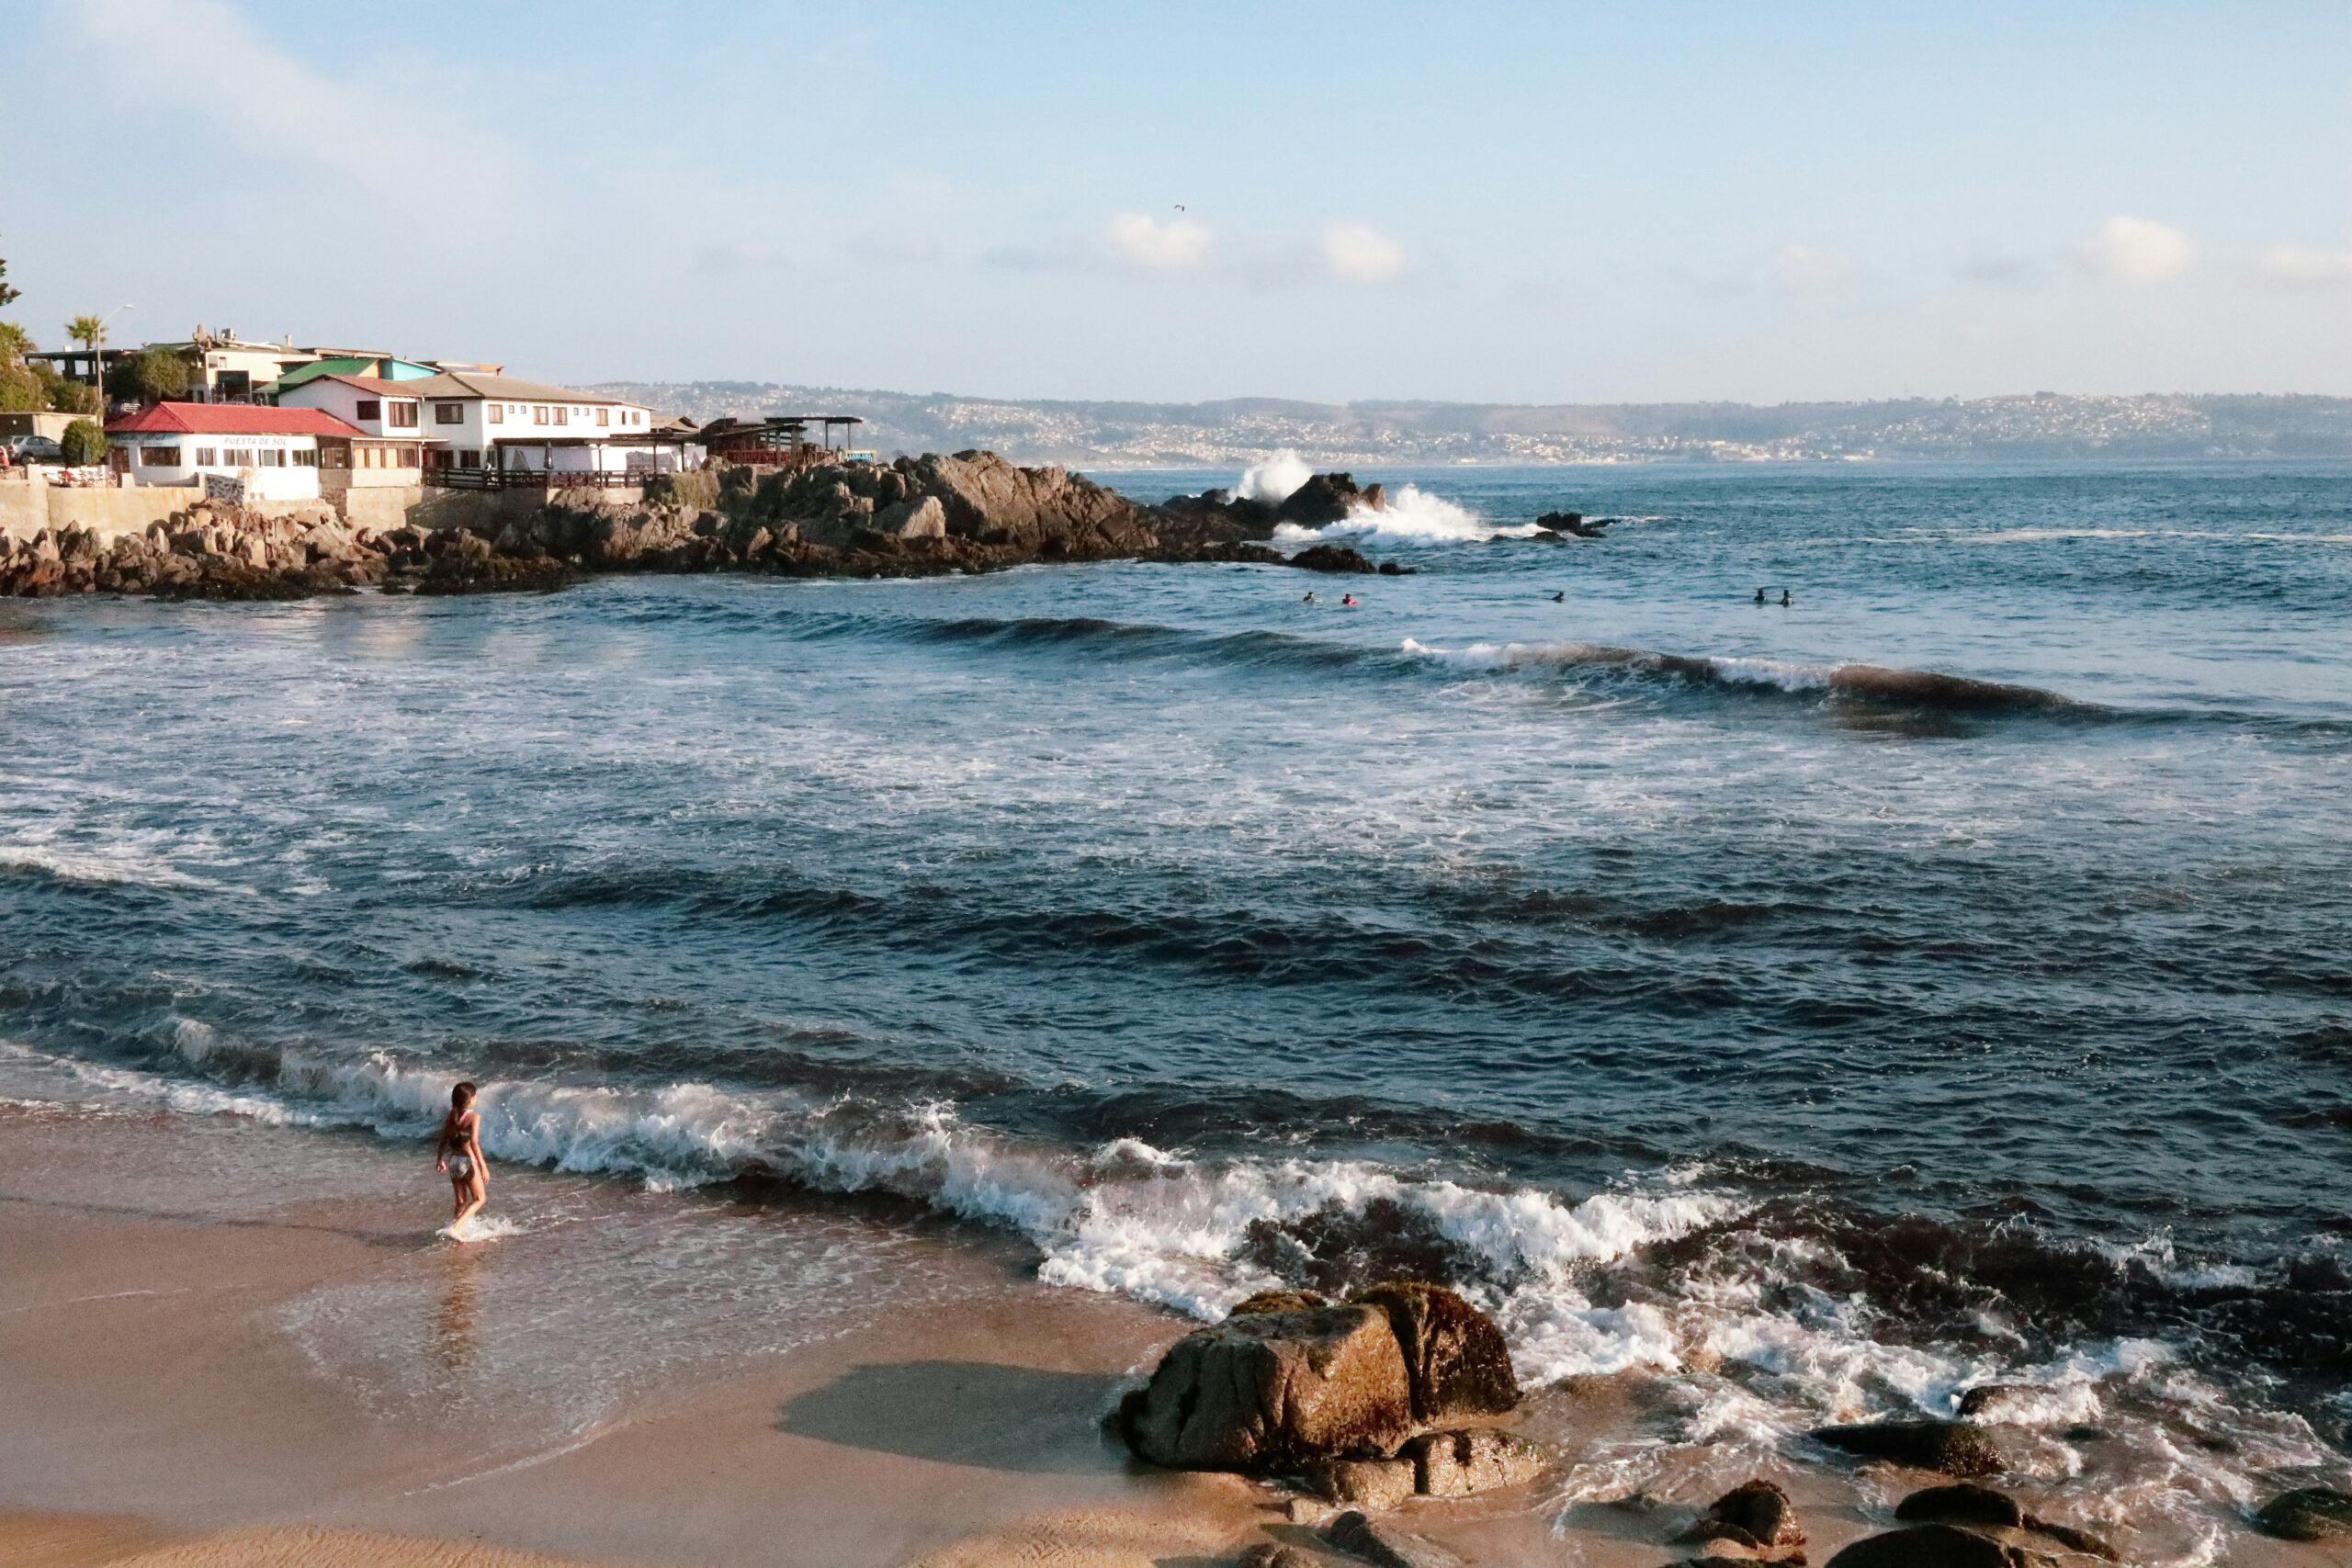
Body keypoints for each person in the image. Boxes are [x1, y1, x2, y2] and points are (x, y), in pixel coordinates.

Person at [436, 1082, 489, 1235]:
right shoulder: (474, 1117)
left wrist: (440, 1159)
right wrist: (483, 1166)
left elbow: (443, 1139)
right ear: (471, 1099)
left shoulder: (451, 1115)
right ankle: (456, 1228)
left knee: (460, 1201)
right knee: (480, 1199)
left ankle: (458, 1231)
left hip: (453, 1162)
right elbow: (474, 1143)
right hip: (467, 1161)